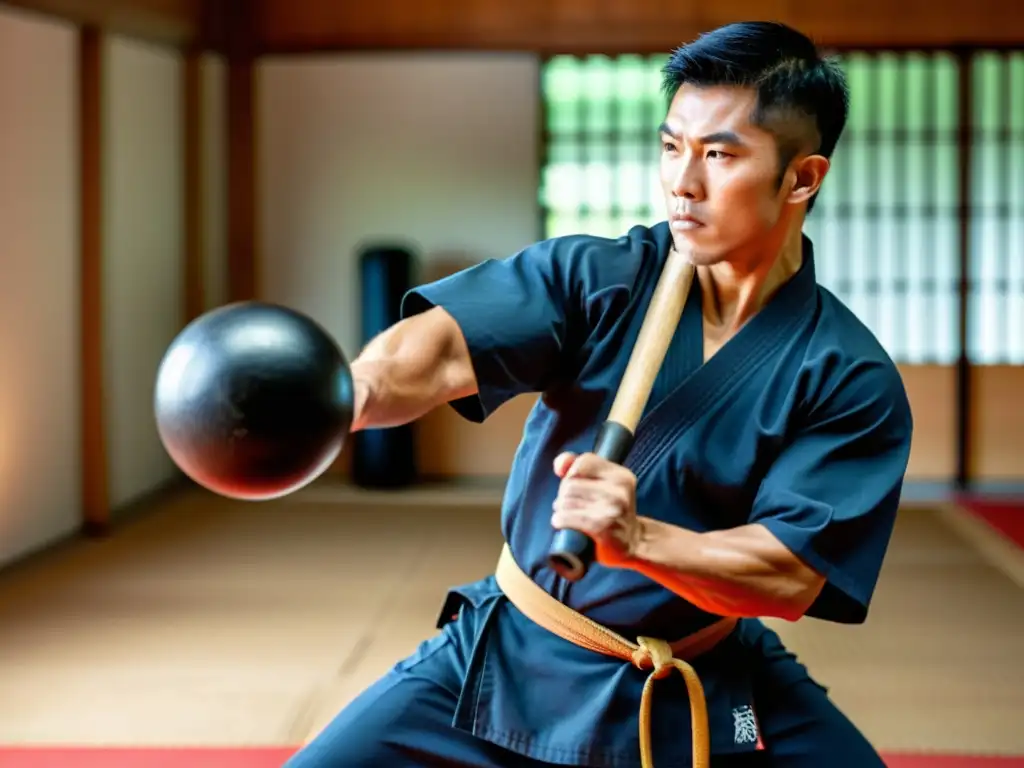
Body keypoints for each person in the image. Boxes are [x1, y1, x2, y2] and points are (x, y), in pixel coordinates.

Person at [285, 20, 913, 768]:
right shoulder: (599, 278)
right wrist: (349, 392)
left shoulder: (845, 374)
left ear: (803, 178)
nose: (684, 180)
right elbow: (444, 348)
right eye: (672, 146)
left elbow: (787, 573)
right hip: (515, 658)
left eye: (719, 154)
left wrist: (638, 539)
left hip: (703, 676)